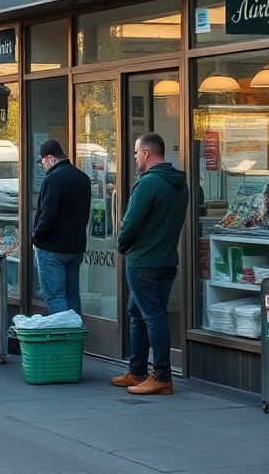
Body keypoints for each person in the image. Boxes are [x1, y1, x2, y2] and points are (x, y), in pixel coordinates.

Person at [112, 132, 189, 396]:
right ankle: (137, 371)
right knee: (138, 313)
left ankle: (162, 376)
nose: (134, 157)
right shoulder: (180, 183)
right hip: (167, 258)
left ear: (146, 153)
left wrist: (122, 245)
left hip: (143, 260)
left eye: (136, 152)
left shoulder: (148, 184)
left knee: (152, 316)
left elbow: (131, 222)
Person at [31, 139, 92, 315]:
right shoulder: (83, 178)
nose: (42, 164)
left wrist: (36, 238)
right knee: (72, 296)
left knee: (55, 297)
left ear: (50, 158)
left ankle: (62, 340)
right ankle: (75, 339)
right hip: (75, 247)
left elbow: (47, 216)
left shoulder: (53, 179)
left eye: (42, 160)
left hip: (52, 249)